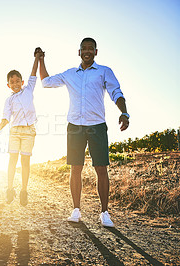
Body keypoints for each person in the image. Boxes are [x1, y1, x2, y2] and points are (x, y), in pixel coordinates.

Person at [39, 38, 129, 227]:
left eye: (90, 48)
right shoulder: (70, 74)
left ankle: (104, 213)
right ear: (78, 52)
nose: (87, 51)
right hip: (75, 126)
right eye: (84, 49)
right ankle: (76, 210)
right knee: (75, 168)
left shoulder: (104, 71)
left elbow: (116, 92)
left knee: (101, 168)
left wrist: (124, 112)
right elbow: (46, 82)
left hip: (97, 126)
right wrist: (40, 60)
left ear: (96, 52)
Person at [0, 49, 43, 206]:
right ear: (8, 85)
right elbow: (5, 119)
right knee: (12, 160)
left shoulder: (28, 90)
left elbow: (33, 73)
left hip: (29, 132)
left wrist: (37, 58)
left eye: (17, 81)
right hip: (15, 132)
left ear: (22, 82)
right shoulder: (9, 100)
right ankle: (10, 188)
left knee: (25, 161)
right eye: (12, 82)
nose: (15, 84)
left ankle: (24, 191)